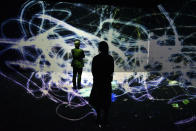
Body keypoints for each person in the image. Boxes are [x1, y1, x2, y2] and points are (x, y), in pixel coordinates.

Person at [89, 41, 114, 128]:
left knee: (97, 100)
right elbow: (111, 70)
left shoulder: (96, 58)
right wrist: (108, 77)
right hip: (106, 82)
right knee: (106, 100)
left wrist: (96, 78)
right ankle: (105, 119)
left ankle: (99, 116)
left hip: (98, 82)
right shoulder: (110, 58)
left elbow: (93, 70)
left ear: (99, 48)